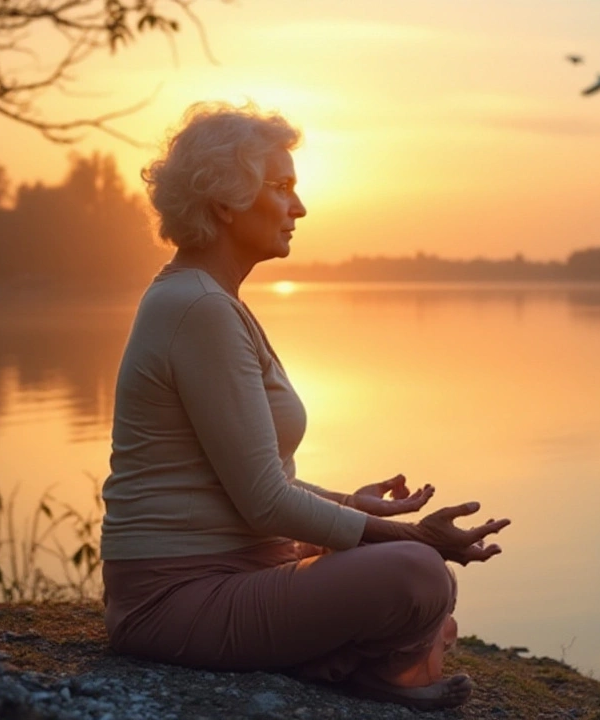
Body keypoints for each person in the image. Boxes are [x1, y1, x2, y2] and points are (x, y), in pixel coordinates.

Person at [99, 101, 510, 711]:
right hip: (175, 598)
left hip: (231, 575)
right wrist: (408, 534)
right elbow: (263, 501)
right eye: (283, 187)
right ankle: (350, 666)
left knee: (421, 575)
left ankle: (345, 662)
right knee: (417, 575)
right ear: (225, 202)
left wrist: (350, 505)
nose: (300, 207)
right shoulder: (199, 310)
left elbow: (251, 477)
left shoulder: (208, 302)